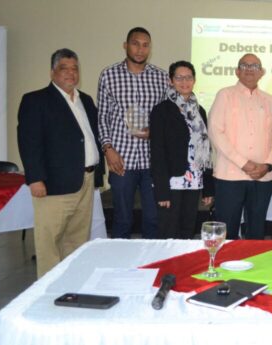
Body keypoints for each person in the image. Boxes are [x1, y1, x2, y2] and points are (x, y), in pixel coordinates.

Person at [17, 48, 104, 277]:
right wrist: (35, 179)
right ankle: (47, 292)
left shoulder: (85, 100)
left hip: (85, 180)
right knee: (49, 242)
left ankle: (69, 285)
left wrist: (98, 174)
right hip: (53, 185)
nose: (71, 73)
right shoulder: (36, 101)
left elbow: (92, 137)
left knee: (76, 240)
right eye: (64, 68)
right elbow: (29, 142)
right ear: (52, 72)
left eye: (75, 68)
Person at [97, 27, 167, 238]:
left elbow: (167, 118)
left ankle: (151, 267)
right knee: (122, 219)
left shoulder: (161, 77)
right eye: (136, 44)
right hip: (121, 160)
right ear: (126, 45)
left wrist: (154, 131)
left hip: (152, 161)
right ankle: (120, 268)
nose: (140, 49)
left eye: (146, 45)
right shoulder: (109, 75)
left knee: (153, 219)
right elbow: (102, 117)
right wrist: (108, 149)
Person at [208, 53, 272, 239]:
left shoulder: (270, 100)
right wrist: (244, 163)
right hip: (230, 176)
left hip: (262, 177)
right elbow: (216, 132)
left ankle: (253, 267)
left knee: (256, 232)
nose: (249, 69)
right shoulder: (225, 95)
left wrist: (267, 165)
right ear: (237, 71)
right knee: (226, 232)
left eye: (254, 66)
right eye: (244, 65)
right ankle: (223, 266)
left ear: (262, 72)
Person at [149, 61, 213, 239]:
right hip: (171, 182)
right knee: (168, 233)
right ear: (171, 81)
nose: (184, 81)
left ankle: (184, 267)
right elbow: (157, 152)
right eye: (179, 77)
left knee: (187, 231)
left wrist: (208, 187)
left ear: (194, 80)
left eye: (188, 77)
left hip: (194, 181)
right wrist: (161, 191)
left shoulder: (200, 110)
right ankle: (168, 267)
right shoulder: (161, 111)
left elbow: (207, 150)